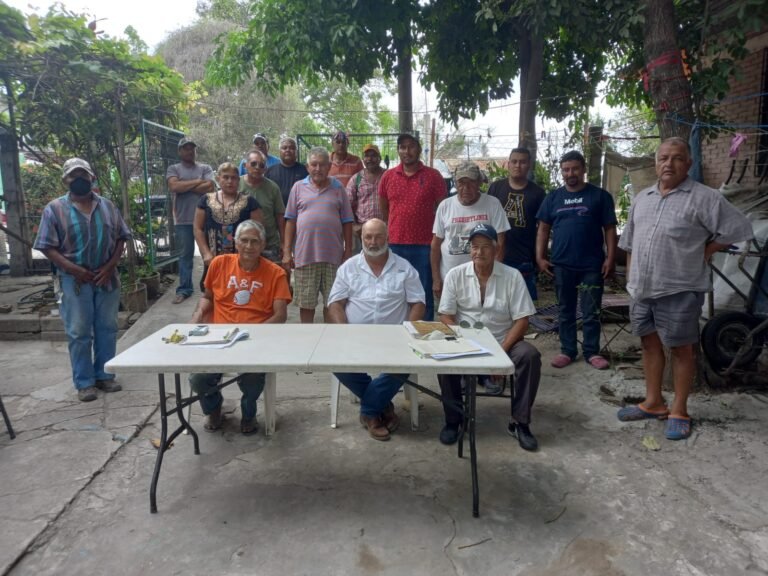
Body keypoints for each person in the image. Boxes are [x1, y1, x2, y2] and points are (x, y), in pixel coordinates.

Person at [617, 137, 753, 440]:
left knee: (682, 350)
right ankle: (653, 403)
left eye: (677, 158)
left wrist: (707, 250)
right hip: (641, 288)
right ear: (655, 163)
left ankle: (678, 409)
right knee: (649, 344)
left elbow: (738, 228)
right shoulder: (643, 198)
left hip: (679, 288)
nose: (669, 164)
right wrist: (631, 278)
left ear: (688, 164)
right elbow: (629, 243)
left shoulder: (705, 198)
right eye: (663, 158)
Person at [437, 224, 542, 451]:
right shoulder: (455, 275)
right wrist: (462, 342)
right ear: (470, 250)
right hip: (466, 340)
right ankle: (454, 420)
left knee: (529, 355)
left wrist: (500, 354)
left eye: (486, 247)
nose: (479, 252)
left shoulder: (512, 276)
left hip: (503, 341)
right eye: (475, 247)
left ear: (496, 249)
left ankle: (520, 422)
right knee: (443, 358)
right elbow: (445, 315)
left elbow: (522, 320)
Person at [34, 158, 131, 402]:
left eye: (83, 175)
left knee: (107, 328)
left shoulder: (108, 207)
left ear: (91, 178)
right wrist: (73, 269)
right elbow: (46, 246)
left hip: (106, 277)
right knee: (78, 332)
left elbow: (121, 237)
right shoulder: (54, 209)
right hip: (73, 280)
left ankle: (104, 375)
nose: (79, 179)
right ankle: (84, 382)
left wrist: (109, 268)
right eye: (73, 176)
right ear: (65, 180)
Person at [189, 220, 291, 434]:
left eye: (255, 241)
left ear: (263, 245)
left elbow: (280, 315)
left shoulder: (275, 273)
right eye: (244, 240)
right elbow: (207, 297)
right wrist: (198, 314)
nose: (249, 246)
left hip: (256, 340)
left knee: (252, 376)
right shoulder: (219, 264)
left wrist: (254, 334)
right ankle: (214, 408)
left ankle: (249, 412)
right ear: (236, 243)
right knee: (198, 377)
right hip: (219, 339)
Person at [328, 219, 426, 441]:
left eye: (378, 236)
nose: (373, 242)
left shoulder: (404, 267)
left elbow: (418, 303)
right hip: (355, 337)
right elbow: (335, 303)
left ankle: (370, 412)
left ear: (387, 237)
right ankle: (383, 404)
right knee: (331, 360)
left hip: (394, 339)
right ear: (361, 239)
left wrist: (408, 333)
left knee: (406, 363)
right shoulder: (348, 267)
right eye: (368, 237)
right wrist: (344, 332)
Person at [432, 161, 510, 394]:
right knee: (454, 327)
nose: (465, 188)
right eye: (461, 183)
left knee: (483, 324)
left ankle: (485, 373)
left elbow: (502, 241)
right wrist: (436, 278)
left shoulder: (492, 204)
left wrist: (496, 275)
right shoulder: (446, 206)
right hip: (452, 280)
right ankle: (464, 372)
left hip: (485, 278)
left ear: (479, 183)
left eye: (470, 183)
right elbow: (435, 245)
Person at [536, 150, 617, 370]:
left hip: (592, 264)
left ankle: (592, 352)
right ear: (562, 172)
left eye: (574, 168)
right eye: (565, 169)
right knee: (565, 310)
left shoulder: (599, 196)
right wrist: (540, 257)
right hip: (561, 265)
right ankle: (568, 351)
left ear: (582, 170)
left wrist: (610, 257)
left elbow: (609, 228)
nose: (570, 173)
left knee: (591, 310)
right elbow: (543, 229)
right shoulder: (553, 197)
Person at [379, 133, 446, 320]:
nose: (406, 151)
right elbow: (385, 208)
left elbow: (443, 210)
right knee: (395, 291)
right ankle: (397, 331)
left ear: (418, 148)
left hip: (425, 246)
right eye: (402, 147)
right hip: (395, 245)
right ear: (398, 150)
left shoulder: (433, 176)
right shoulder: (388, 177)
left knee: (423, 292)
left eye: (411, 146)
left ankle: (424, 333)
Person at [283, 146, 354, 323]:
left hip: (333, 258)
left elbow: (347, 221)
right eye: (313, 164)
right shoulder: (298, 188)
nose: (318, 169)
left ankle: (329, 341)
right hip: (305, 257)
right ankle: (307, 341)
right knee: (306, 305)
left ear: (329, 166)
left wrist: (348, 251)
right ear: (307, 167)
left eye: (322, 165)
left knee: (333, 303)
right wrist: (286, 252)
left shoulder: (338, 188)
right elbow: (290, 221)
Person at [487, 147, 546, 300]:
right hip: (496, 255)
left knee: (524, 307)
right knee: (495, 303)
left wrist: (539, 256)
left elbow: (543, 229)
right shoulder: (495, 188)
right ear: (508, 164)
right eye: (514, 161)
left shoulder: (538, 193)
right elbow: (486, 219)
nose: (517, 166)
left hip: (524, 258)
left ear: (529, 165)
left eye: (522, 162)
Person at [194, 162, 262, 291]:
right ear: (218, 178)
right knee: (211, 294)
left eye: (234, 178)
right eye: (225, 177)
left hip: (242, 262)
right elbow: (197, 228)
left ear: (238, 180)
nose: (230, 181)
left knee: (239, 295)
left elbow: (258, 233)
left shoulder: (250, 202)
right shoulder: (206, 201)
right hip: (212, 260)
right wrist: (205, 253)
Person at [166, 137, 215, 304]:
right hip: (183, 220)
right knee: (185, 256)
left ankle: (210, 287)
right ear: (180, 151)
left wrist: (184, 185)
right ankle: (185, 289)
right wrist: (197, 182)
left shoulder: (205, 167)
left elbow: (209, 187)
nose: (189, 151)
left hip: (206, 220)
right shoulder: (173, 168)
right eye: (185, 148)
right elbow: (174, 187)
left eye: (192, 148)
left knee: (208, 254)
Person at [239, 149, 285, 262]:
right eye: (253, 163)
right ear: (245, 165)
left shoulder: (273, 188)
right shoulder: (236, 184)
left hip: (269, 244)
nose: (257, 167)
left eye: (261, 165)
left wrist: (284, 243)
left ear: (265, 169)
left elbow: (280, 216)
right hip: (242, 244)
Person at [346, 143, 386, 253]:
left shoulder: (387, 176)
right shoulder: (356, 178)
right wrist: (354, 225)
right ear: (363, 159)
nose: (370, 159)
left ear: (379, 158)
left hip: (383, 229)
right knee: (360, 262)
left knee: (382, 259)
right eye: (367, 156)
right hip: (362, 230)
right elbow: (346, 205)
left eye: (373, 156)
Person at [265, 135, 309, 206]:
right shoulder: (270, 171)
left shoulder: (305, 171)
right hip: (276, 213)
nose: (288, 150)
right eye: (284, 148)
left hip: (299, 212)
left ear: (296, 151)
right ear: (280, 151)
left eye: (292, 148)